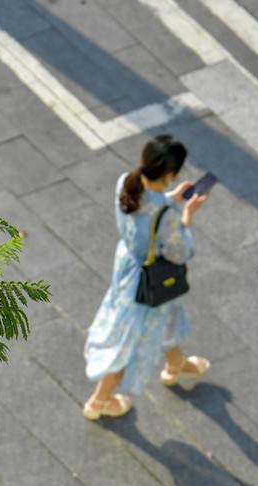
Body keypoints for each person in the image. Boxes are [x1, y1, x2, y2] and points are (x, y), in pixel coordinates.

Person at [83, 135, 211, 420]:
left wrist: (171, 199)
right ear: (169, 174)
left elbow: (146, 212)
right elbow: (181, 251)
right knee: (126, 341)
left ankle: (176, 365)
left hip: (129, 266)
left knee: (168, 317)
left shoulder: (125, 182)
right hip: (148, 282)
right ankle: (99, 401)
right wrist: (188, 213)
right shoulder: (166, 215)